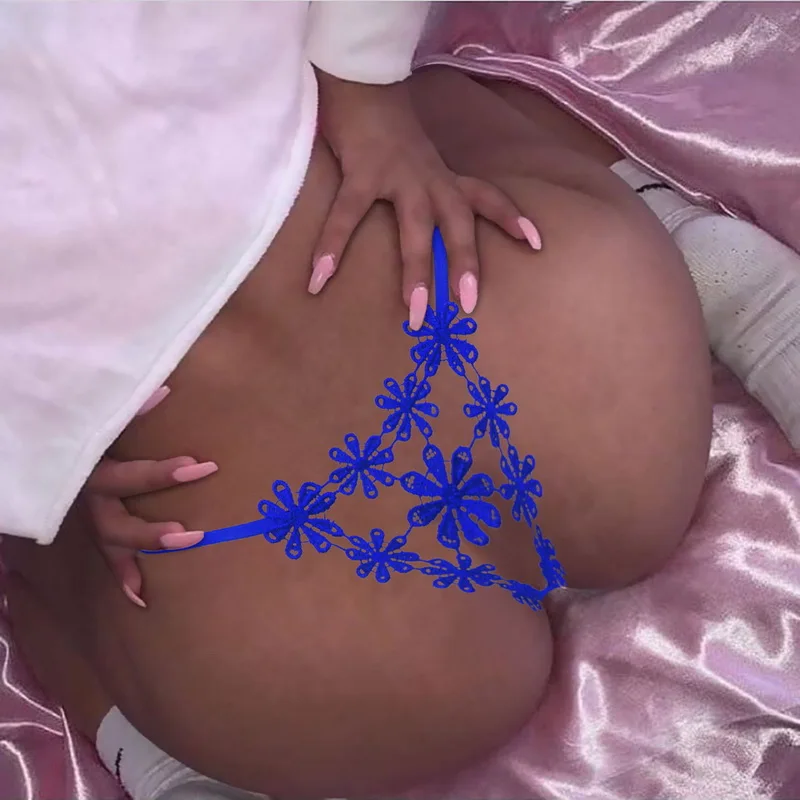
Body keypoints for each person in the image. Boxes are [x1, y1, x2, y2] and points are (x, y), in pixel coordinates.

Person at [4, 66, 713, 799]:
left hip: (260, 590)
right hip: (568, 360)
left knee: (44, 556)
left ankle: (167, 777)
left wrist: (41, 467)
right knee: (434, 92)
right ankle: (727, 274)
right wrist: (374, 102)